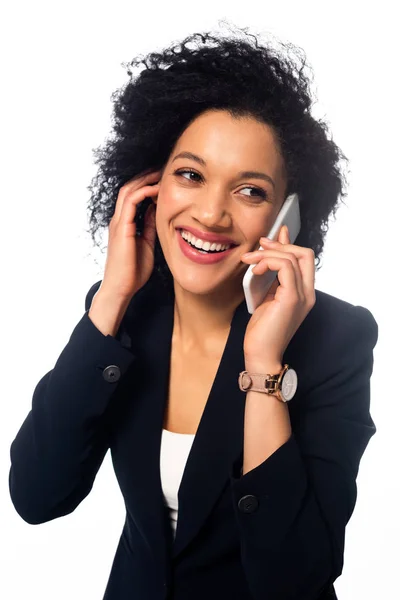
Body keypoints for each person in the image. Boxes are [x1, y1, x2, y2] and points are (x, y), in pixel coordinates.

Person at [8, 25, 378, 600]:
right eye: (190, 174)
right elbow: (37, 497)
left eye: (249, 191)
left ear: (289, 217)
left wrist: (263, 364)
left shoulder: (337, 339)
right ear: (149, 185)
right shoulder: (123, 317)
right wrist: (111, 297)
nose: (210, 213)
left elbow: (297, 578)